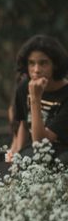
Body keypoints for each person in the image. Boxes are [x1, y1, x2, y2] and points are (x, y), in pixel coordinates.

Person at [11, 34, 68, 163]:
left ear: (55, 65)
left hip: (61, 153)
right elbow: (24, 126)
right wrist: (17, 155)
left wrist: (35, 98)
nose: (36, 70)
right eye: (31, 63)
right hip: (33, 152)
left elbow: (41, 143)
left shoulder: (65, 94)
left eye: (43, 63)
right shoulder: (24, 87)